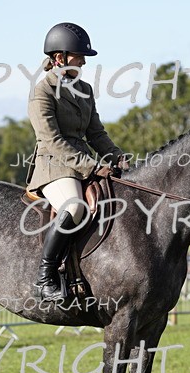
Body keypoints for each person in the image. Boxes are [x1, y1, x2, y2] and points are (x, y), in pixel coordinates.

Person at [27, 22, 128, 301]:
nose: (83, 61)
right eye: (78, 56)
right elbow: (51, 140)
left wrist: (116, 155)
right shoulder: (42, 92)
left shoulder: (84, 88)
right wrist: (94, 167)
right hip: (54, 166)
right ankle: (45, 275)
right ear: (59, 58)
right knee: (75, 207)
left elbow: (96, 133)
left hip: (82, 163)